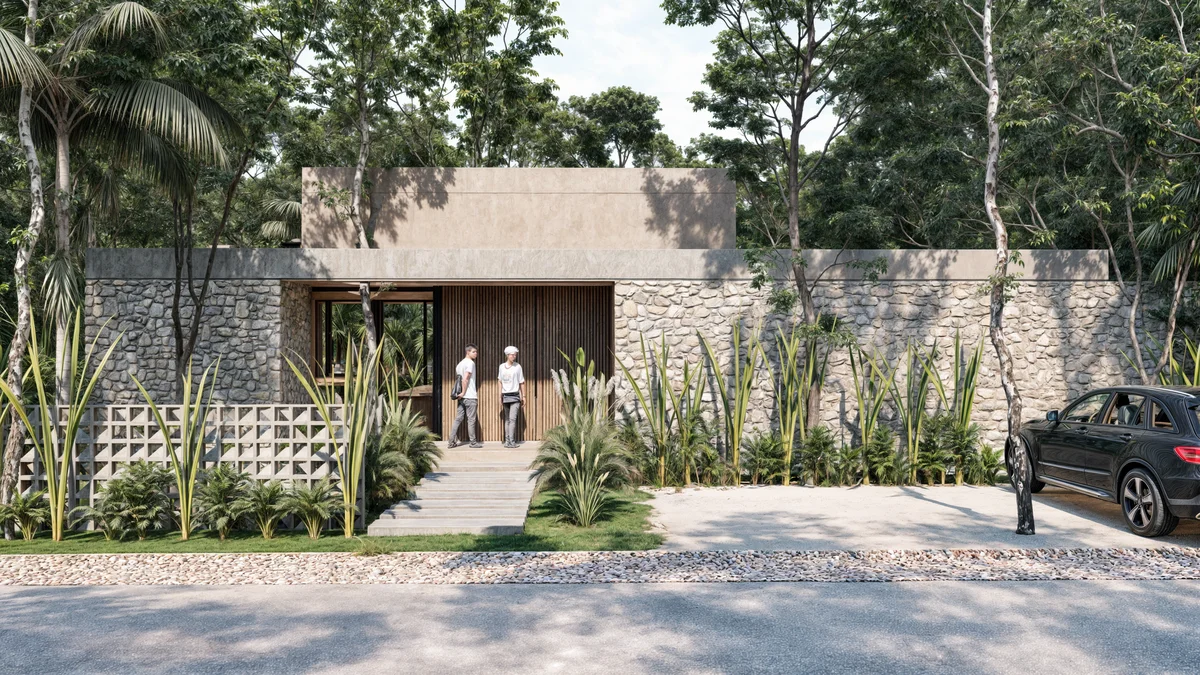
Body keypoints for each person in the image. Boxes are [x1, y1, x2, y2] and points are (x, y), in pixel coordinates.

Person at [448, 344, 481, 448]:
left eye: (476, 352)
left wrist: (461, 394)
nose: (476, 354)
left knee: (458, 419)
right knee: (471, 420)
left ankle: (451, 441)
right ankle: (473, 442)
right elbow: (465, 378)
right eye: (474, 352)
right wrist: (463, 392)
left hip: (461, 398)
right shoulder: (470, 363)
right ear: (468, 352)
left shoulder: (459, 364)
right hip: (469, 396)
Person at [498, 346, 526, 448]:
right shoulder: (501, 367)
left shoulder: (518, 367)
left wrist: (524, 396)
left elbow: (521, 382)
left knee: (512, 419)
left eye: (515, 354)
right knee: (507, 420)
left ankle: (510, 441)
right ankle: (508, 441)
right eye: (512, 354)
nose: (514, 356)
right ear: (507, 355)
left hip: (515, 395)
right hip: (505, 396)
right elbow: (500, 381)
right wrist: (499, 395)